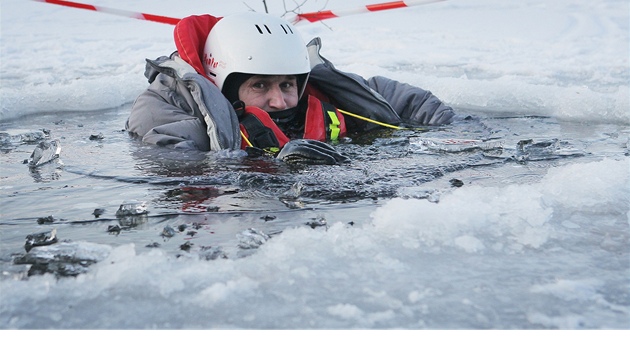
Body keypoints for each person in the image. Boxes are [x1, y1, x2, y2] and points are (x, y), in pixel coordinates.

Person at [126, 12, 462, 164]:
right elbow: (169, 162)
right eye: (260, 85)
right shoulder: (164, 105)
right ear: (222, 85)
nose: (281, 100)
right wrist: (272, 172)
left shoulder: (316, 93)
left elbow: (400, 99)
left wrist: (465, 135)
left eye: (288, 84)